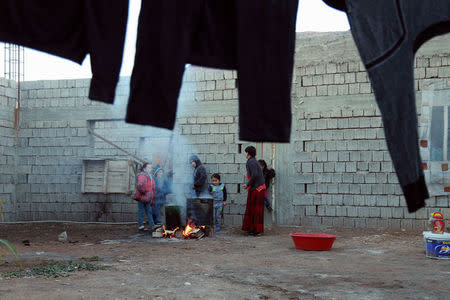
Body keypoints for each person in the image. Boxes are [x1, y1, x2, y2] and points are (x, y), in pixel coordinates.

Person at [242, 146, 266, 236]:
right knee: (254, 210)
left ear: (248, 153)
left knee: (255, 211)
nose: (245, 154)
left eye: (245, 152)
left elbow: (255, 175)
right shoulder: (253, 161)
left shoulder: (251, 161)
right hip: (257, 189)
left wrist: (248, 184)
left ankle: (256, 230)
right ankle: (253, 229)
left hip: (257, 190)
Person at [133, 162, 156, 232]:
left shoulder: (150, 176)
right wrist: (143, 192)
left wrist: (152, 198)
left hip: (147, 198)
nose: (150, 169)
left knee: (149, 211)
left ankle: (152, 225)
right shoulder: (142, 175)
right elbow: (139, 185)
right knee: (141, 211)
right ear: (144, 169)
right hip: (141, 197)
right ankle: (141, 226)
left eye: (151, 168)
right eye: (149, 168)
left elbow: (153, 188)